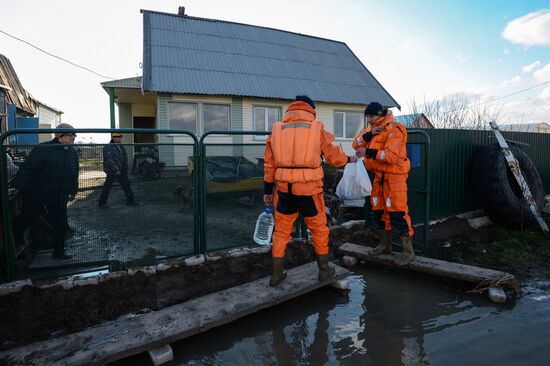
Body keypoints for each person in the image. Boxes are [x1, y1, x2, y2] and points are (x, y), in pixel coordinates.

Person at [263, 95, 358, 287]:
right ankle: (324, 272)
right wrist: (349, 159)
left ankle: (276, 274)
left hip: (284, 190)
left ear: (292, 109)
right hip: (309, 191)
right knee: (319, 231)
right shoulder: (316, 128)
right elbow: (333, 157)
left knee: (281, 233)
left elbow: (269, 164)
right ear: (310, 109)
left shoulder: (277, 129)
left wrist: (267, 190)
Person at [353, 102, 415, 265]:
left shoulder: (395, 128)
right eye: (367, 117)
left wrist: (368, 151)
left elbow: (392, 157)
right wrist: (369, 135)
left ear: (380, 114)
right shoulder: (372, 129)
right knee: (379, 212)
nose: (369, 120)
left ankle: (408, 252)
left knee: (398, 213)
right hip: (378, 177)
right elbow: (355, 143)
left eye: (371, 116)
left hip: (394, 177)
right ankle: (384, 245)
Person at [12, 123, 79, 259]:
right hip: (38, 192)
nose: (73, 137)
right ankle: (16, 244)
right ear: (60, 135)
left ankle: (59, 252)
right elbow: (27, 167)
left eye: (74, 134)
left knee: (60, 222)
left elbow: (74, 173)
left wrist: (73, 190)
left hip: (59, 193)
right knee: (27, 216)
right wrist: (18, 185)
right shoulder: (44, 148)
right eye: (70, 134)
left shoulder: (72, 152)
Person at [98, 132, 136, 208]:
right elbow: (109, 160)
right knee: (107, 187)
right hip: (112, 172)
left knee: (127, 186)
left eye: (120, 137)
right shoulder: (108, 147)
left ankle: (130, 201)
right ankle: (101, 204)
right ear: (113, 137)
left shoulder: (121, 146)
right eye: (116, 137)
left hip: (121, 171)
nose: (119, 138)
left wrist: (124, 169)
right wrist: (116, 170)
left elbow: (124, 157)